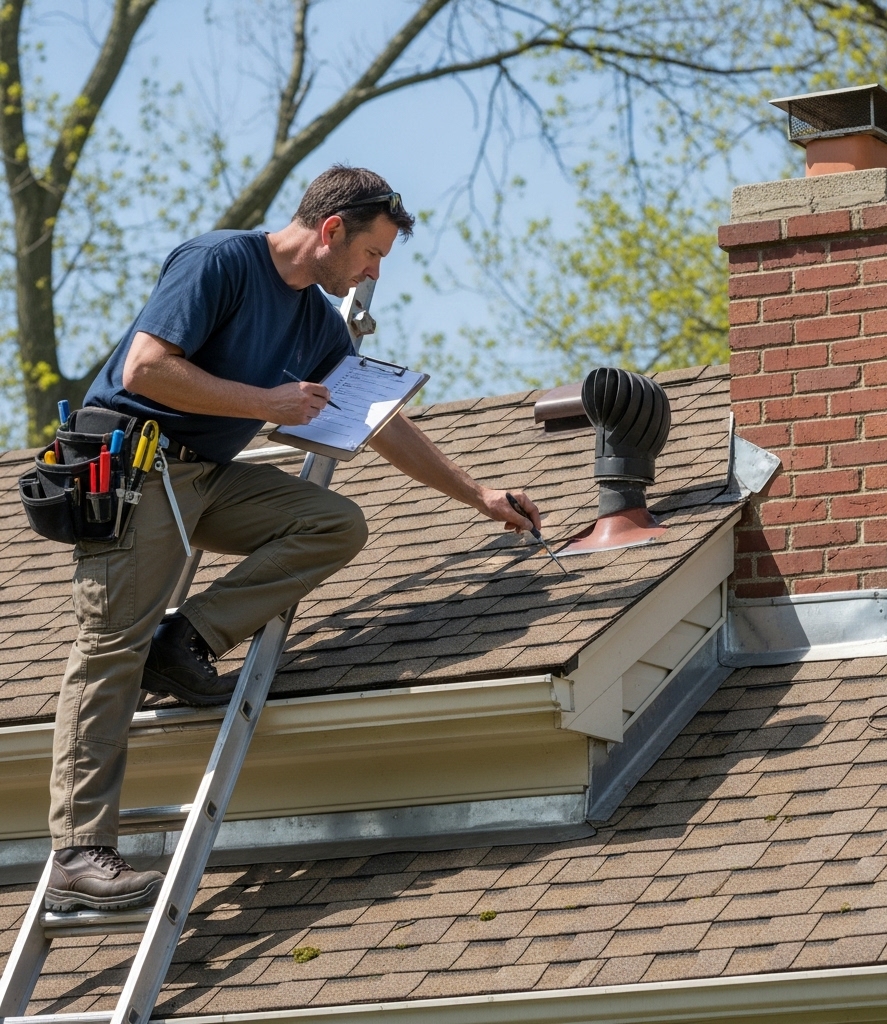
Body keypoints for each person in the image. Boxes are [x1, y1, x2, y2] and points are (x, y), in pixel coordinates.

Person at [44, 165, 541, 913]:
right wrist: (266, 401)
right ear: (332, 230)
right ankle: (79, 855)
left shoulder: (313, 320)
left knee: (330, 522)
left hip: (205, 478)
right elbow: (147, 369)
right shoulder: (219, 261)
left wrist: (478, 495)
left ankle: (184, 643)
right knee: (109, 646)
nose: (375, 273)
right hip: (136, 471)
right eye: (372, 255)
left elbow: (382, 425)